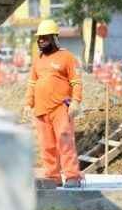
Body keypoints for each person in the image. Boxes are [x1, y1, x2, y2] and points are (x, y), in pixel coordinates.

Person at [23, 19, 83, 188]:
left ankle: (72, 177)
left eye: (45, 37)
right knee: (47, 146)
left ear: (54, 38)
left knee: (65, 141)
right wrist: (28, 103)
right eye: (39, 38)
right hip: (41, 111)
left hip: (61, 108)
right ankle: (53, 177)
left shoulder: (67, 57)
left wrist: (76, 102)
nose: (41, 41)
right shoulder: (38, 60)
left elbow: (76, 82)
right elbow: (32, 83)